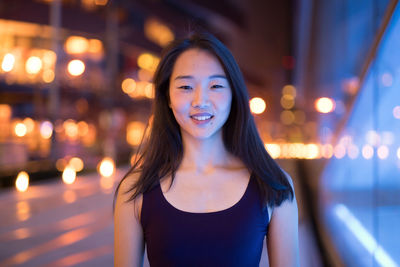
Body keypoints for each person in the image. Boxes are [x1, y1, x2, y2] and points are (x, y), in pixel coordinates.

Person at [114, 32, 299, 267]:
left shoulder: (273, 186)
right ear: (167, 97)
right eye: (185, 86)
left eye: (215, 85)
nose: (200, 100)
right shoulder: (135, 191)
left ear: (234, 94)